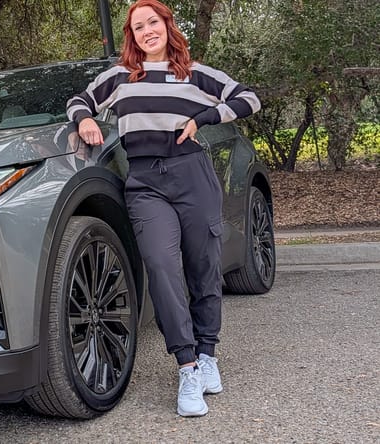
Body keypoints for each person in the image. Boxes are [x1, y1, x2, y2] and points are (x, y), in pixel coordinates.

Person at [67, 0, 260, 416]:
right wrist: (84, 119)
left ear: (167, 25)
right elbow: (80, 100)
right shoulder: (120, 77)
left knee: (202, 264)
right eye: (138, 27)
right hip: (144, 183)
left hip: (192, 174)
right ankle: (187, 365)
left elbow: (249, 99)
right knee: (161, 267)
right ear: (131, 37)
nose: (146, 31)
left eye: (152, 22)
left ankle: (208, 352)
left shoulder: (195, 73)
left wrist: (205, 117)